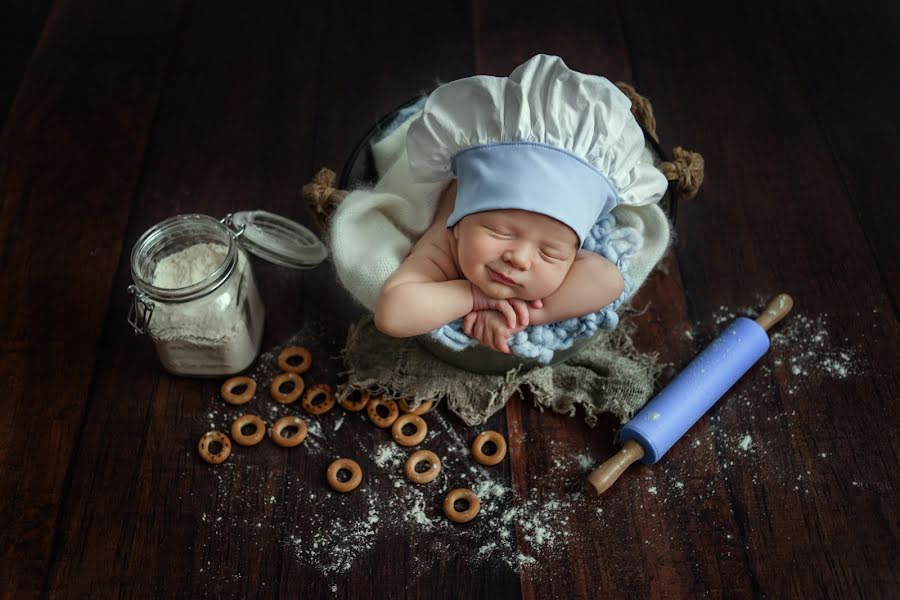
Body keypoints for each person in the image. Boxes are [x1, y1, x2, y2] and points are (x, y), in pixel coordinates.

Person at [373, 54, 668, 353]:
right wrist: (474, 296)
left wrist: (524, 315)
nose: (520, 259)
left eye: (550, 253)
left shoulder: (560, 245)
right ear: (460, 222)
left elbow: (609, 281)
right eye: (502, 232)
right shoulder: (445, 243)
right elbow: (392, 314)